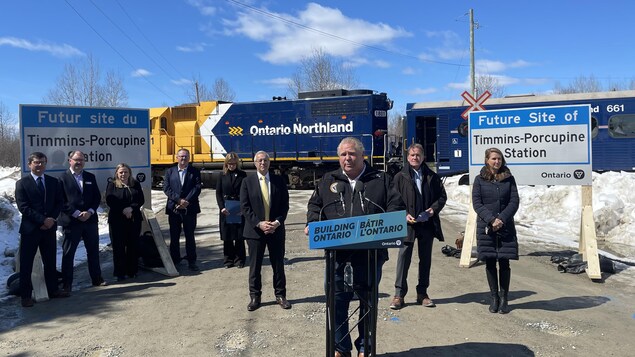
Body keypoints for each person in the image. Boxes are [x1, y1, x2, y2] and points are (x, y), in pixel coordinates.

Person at [306, 137, 404, 357]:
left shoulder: (381, 179)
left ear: (363, 156)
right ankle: (340, 347)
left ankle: (364, 347)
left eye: (352, 154)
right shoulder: (328, 180)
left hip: (370, 254)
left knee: (367, 303)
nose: (347, 159)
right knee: (336, 301)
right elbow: (315, 206)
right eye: (343, 154)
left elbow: (395, 207)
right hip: (337, 255)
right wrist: (312, 223)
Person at [390, 143, 446, 310]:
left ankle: (422, 293)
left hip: (426, 224)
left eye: (418, 155)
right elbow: (393, 199)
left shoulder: (432, 177)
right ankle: (399, 294)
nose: (415, 158)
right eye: (412, 155)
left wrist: (431, 211)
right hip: (406, 224)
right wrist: (403, 214)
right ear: (408, 157)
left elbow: (442, 197)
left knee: (425, 259)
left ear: (423, 157)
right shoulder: (399, 177)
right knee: (403, 258)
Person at [15, 152, 69, 307]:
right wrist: (42, 220)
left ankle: (53, 290)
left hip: (49, 229)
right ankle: (25, 296)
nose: (39, 165)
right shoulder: (22, 183)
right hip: (31, 229)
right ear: (29, 164)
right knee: (27, 264)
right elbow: (23, 207)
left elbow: (59, 202)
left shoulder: (53, 182)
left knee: (50, 261)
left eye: (42, 162)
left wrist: (51, 219)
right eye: (36, 162)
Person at [240, 151, 291, 311]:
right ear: (255, 163)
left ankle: (281, 295)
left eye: (266, 160)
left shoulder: (279, 181)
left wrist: (276, 223)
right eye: (260, 160)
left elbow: (285, 205)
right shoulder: (247, 182)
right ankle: (255, 297)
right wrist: (259, 223)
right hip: (255, 231)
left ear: (269, 163)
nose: (263, 163)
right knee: (255, 266)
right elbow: (245, 207)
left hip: (276, 230)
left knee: (278, 264)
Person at [472, 147, 520, 314]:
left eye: (499, 159)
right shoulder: (479, 180)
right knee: (491, 261)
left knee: (504, 262)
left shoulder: (509, 179)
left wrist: (502, 219)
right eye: (493, 159)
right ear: (487, 160)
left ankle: (505, 297)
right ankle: (494, 298)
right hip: (487, 227)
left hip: (505, 226)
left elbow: (514, 201)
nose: (497, 162)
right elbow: (477, 203)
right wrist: (492, 220)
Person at [59, 150, 105, 291]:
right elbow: (61, 201)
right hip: (72, 222)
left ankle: (97, 279)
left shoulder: (90, 176)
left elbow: (96, 197)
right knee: (68, 254)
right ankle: (67, 284)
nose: (79, 162)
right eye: (76, 159)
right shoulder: (62, 178)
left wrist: (90, 212)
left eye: (81, 160)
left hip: (90, 221)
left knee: (93, 252)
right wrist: (77, 213)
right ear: (70, 161)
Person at [163, 148, 202, 271]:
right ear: (176, 158)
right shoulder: (169, 171)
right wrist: (178, 200)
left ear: (189, 158)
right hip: (174, 209)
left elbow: (197, 188)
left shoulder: (194, 171)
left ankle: (192, 261)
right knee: (174, 237)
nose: (183, 159)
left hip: (190, 209)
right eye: (181, 156)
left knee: (190, 236)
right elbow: (166, 188)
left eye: (185, 156)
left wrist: (186, 201)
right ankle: (175, 261)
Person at [105, 163, 145, 281]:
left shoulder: (135, 184)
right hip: (117, 220)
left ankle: (132, 270)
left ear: (130, 173)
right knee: (118, 246)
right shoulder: (112, 185)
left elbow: (140, 199)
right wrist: (123, 209)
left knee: (133, 245)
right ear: (117, 173)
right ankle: (120, 273)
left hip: (133, 219)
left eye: (125, 172)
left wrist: (131, 208)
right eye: (121, 172)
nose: (123, 174)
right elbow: (110, 200)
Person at [215, 152, 247, 269]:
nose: (232, 165)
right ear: (226, 164)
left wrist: (243, 208)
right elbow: (218, 193)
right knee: (227, 236)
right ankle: (228, 260)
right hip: (226, 209)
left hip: (239, 209)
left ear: (237, 163)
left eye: (234, 163)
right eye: (229, 163)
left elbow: (245, 192)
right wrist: (221, 207)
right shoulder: (221, 176)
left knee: (239, 236)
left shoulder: (243, 175)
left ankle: (240, 260)